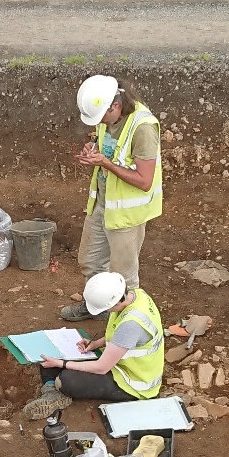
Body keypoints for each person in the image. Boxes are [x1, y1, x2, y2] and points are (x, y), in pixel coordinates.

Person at [63, 74, 163, 322]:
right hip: (102, 204)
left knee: (124, 275)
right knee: (90, 260)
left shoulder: (143, 129)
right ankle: (95, 305)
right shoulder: (107, 117)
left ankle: (126, 323)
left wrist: (105, 162)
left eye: (101, 118)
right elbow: (107, 145)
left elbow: (144, 180)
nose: (98, 123)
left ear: (115, 106)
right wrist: (94, 151)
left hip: (127, 214)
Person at [22, 271, 164, 420]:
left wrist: (62, 363)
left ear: (115, 302)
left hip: (133, 383)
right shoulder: (136, 295)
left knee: (67, 380)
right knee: (46, 357)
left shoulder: (132, 324)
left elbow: (101, 367)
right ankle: (52, 392)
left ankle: (56, 390)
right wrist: (96, 344)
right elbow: (121, 335)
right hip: (118, 361)